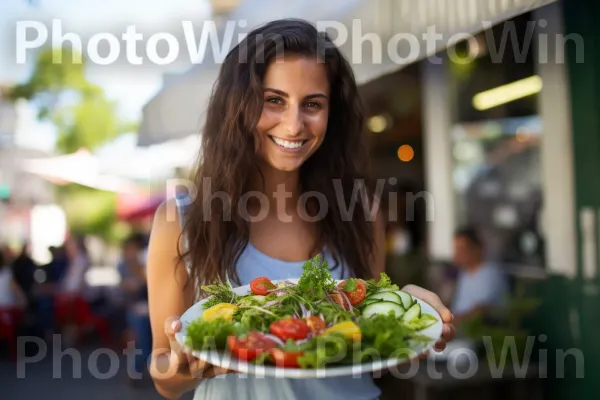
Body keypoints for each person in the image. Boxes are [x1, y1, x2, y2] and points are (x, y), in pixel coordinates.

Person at [146, 19, 455, 400]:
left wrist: (412, 315)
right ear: (236, 106)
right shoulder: (180, 220)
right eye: (273, 100)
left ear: (332, 113)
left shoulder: (360, 212)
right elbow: (163, 372)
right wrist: (183, 367)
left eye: (312, 104)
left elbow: (369, 350)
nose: (294, 125)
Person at [451, 227, 509, 322]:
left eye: (462, 248)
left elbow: (481, 311)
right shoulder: (464, 274)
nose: (457, 254)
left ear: (477, 249)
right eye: (456, 248)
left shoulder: (490, 274)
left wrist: (455, 321)